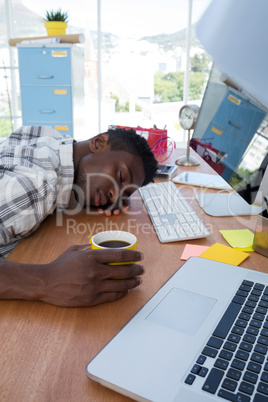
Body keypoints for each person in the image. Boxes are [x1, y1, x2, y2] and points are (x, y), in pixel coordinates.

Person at [0, 125, 158, 307]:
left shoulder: (52, 140)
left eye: (124, 194)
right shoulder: (32, 188)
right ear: (98, 143)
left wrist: (95, 195)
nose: (114, 197)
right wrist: (47, 280)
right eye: (121, 175)